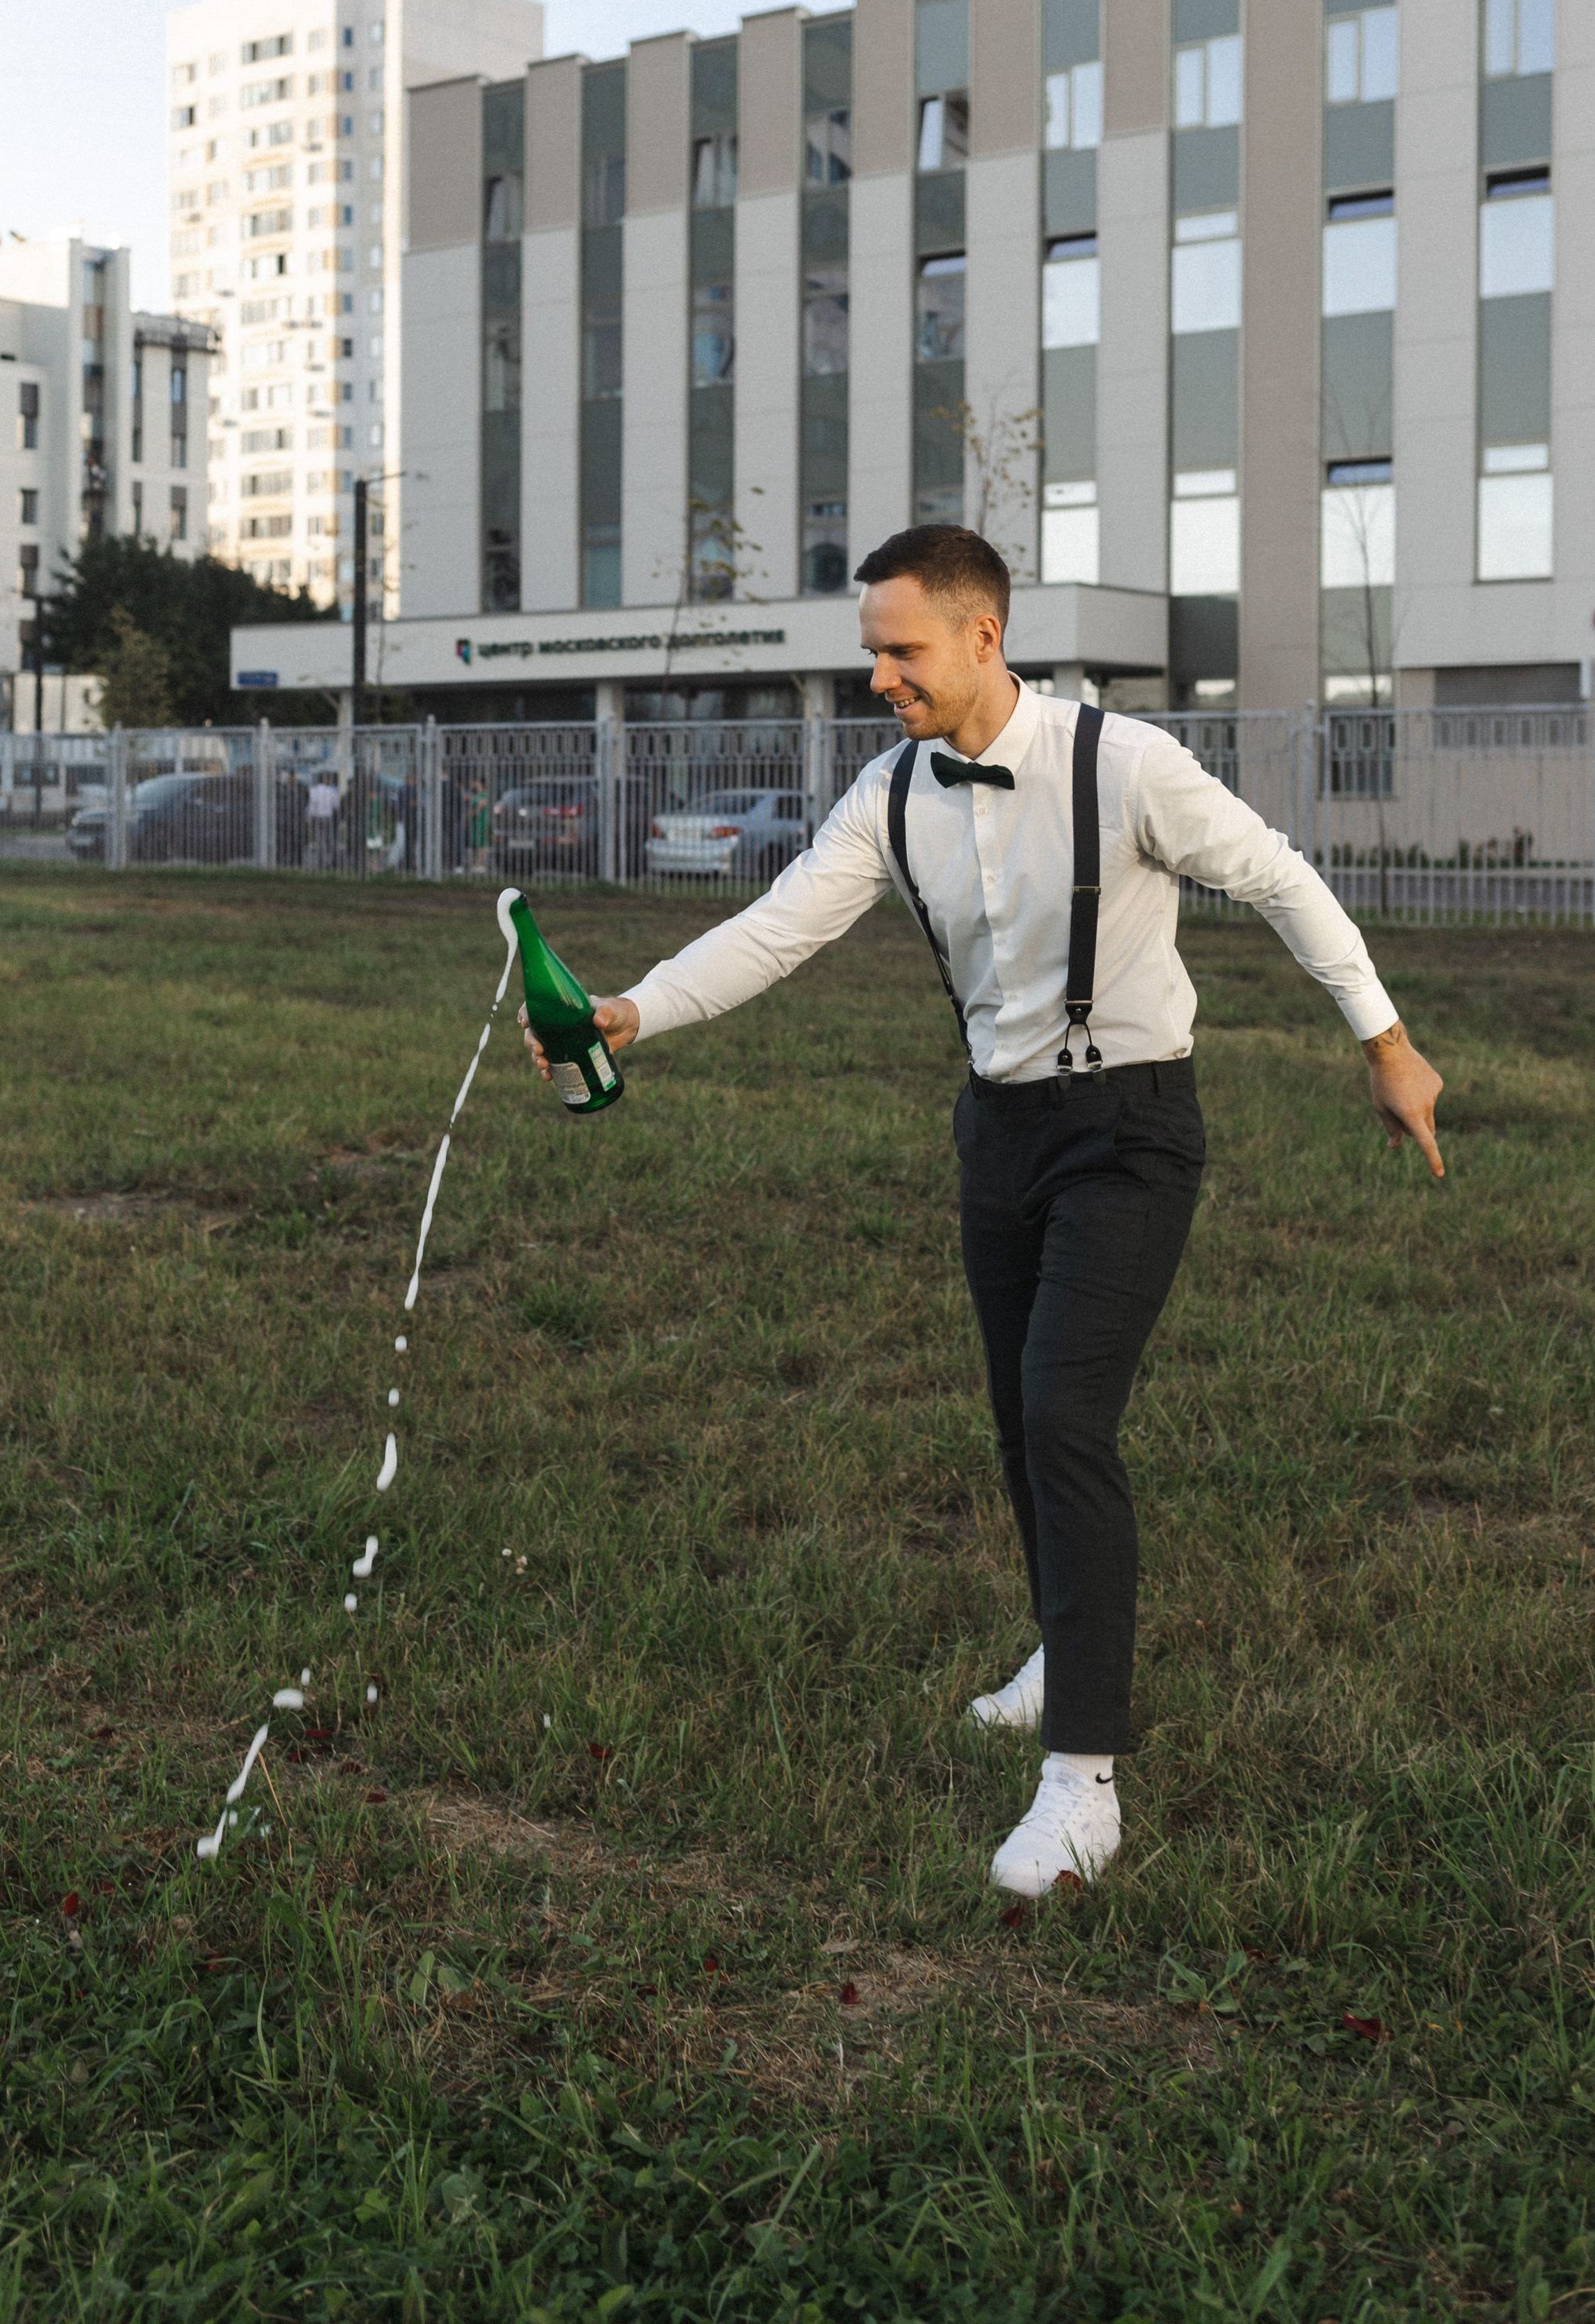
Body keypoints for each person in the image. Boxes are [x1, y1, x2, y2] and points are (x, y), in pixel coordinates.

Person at [521, 525, 1442, 1899]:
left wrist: (1386, 1046)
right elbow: (778, 930)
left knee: (1070, 1416)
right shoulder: (889, 796)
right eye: (871, 653)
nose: (879, 676)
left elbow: (1280, 880)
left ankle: (1085, 1782)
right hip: (997, 1128)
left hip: (1131, 1126)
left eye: (900, 650)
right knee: (1021, 1416)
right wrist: (631, 1010)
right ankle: (1064, 1644)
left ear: (982, 638)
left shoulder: (1121, 764)